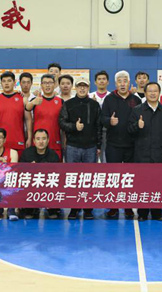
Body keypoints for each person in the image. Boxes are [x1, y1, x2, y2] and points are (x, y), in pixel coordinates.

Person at [129, 82, 162, 221]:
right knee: (142, 185)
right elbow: (129, 131)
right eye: (150, 91)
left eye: (155, 91)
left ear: (159, 93)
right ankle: (142, 213)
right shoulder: (137, 110)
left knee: (158, 184)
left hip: (159, 154)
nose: (153, 93)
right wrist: (137, 125)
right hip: (141, 154)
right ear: (145, 93)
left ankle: (157, 212)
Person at [60, 78, 102, 220]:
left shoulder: (95, 105)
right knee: (73, 179)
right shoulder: (68, 104)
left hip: (90, 147)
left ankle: (88, 209)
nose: (82, 89)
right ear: (75, 88)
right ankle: (74, 208)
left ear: (88, 88)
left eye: (85, 86)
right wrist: (74, 127)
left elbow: (98, 126)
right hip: (73, 146)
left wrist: (99, 146)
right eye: (79, 86)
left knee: (89, 179)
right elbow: (62, 122)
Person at [101, 71, 141, 219]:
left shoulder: (136, 99)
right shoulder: (109, 99)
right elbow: (102, 118)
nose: (122, 84)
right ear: (115, 83)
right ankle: (113, 207)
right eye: (119, 81)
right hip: (113, 144)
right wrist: (109, 121)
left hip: (132, 145)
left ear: (129, 83)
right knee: (113, 177)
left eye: (125, 81)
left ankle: (128, 206)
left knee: (130, 178)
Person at [19, 129, 61, 219]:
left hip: (48, 184)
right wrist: (29, 169)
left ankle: (52, 208)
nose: (41, 142)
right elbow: (20, 172)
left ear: (48, 140)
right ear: (34, 141)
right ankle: (30, 208)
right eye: (38, 139)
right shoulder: (27, 153)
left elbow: (59, 176)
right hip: (31, 183)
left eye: (44, 139)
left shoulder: (53, 155)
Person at [0, 72, 31, 155]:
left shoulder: (23, 98)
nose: (6, 83)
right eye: (4, 81)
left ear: (14, 82)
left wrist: (29, 138)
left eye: (9, 81)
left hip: (18, 141)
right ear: (1, 83)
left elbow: (28, 120)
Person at [26, 74, 63, 160]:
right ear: (41, 85)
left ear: (54, 84)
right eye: (45, 83)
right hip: (38, 143)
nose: (47, 85)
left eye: (50, 83)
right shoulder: (36, 100)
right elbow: (27, 108)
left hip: (55, 141)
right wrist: (33, 102)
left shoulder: (60, 101)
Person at [90, 70, 111, 163]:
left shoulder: (112, 96)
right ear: (95, 82)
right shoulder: (89, 96)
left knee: (105, 158)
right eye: (99, 79)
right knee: (93, 158)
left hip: (108, 131)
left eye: (104, 79)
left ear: (108, 82)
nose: (101, 81)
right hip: (94, 131)